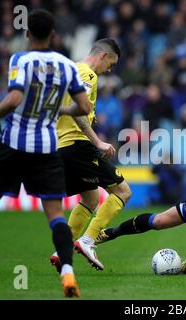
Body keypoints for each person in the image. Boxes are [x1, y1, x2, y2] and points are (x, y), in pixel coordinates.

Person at [0, 9, 92, 297]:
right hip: (47, 148)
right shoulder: (66, 65)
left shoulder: (20, 59)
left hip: (12, 144)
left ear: (27, 34)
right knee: (55, 215)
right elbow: (85, 107)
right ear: (53, 35)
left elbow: (14, 98)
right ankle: (67, 273)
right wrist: (58, 110)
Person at [49, 38, 132, 272]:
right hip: (79, 144)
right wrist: (97, 142)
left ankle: (62, 250)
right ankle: (87, 241)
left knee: (90, 199)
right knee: (123, 191)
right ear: (104, 55)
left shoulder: (70, 70)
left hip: (63, 146)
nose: (110, 69)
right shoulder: (87, 75)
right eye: (112, 64)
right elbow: (78, 111)